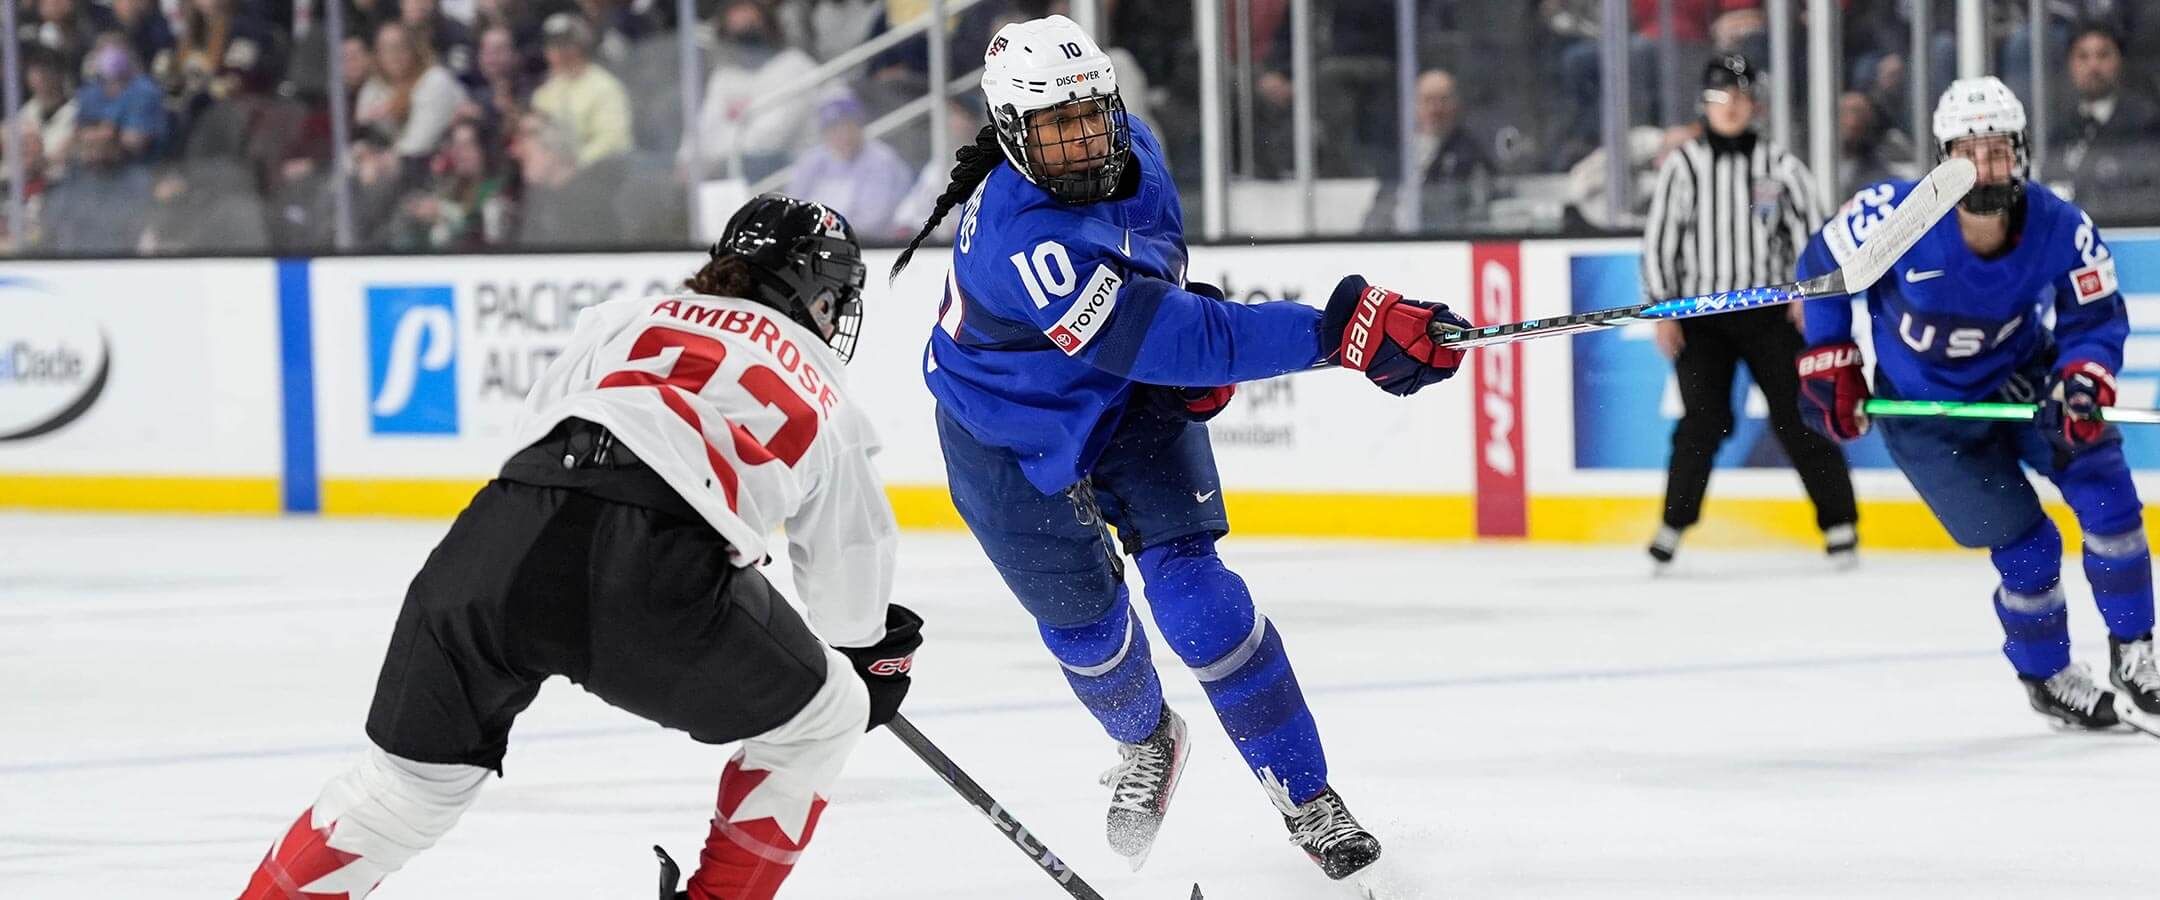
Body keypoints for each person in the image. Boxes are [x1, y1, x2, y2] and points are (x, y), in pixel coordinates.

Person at [889, 14, 1469, 887]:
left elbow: (1160, 296)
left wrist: (1183, 334)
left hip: (1123, 403)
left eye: (1092, 113)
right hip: (1000, 436)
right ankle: (1146, 740)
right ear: (1012, 134)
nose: (1084, 139)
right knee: (1086, 631)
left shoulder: (1140, 152)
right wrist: (1337, 333)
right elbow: (1169, 336)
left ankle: (1308, 796)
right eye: (1056, 126)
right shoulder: (1024, 237)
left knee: (1200, 600)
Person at [236, 194, 917, 900]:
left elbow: (542, 424)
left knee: (402, 788)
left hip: (496, 538)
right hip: (650, 571)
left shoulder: (626, 318)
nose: (834, 318)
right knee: (825, 718)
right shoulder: (828, 394)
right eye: (834, 299)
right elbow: (847, 596)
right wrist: (874, 656)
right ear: (811, 289)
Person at [1794, 76, 2160, 730]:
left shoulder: (2060, 225)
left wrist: (2083, 379)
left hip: (2025, 378)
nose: (1985, 166)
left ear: (2020, 151)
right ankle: (2048, 677)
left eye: (1998, 150)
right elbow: (1823, 274)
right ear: (1942, 159)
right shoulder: (1892, 218)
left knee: (2108, 497)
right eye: (1968, 152)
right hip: (1929, 415)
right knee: (2028, 550)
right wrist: (1831, 357)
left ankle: (2136, 655)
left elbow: (2095, 316)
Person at [1640, 55, 1859, 570]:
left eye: (1740, 97)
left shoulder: (1779, 166)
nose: (1731, 107)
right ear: (1705, 103)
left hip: (1769, 312)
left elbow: (1813, 236)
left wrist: (1809, 295)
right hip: (1700, 316)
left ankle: (1839, 523)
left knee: (1800, 414)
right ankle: (1672, 526)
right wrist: (1662, 310)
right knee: (1702, 421)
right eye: (1721, 97)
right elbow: (1659, 242)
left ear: (1753, 103)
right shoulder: (1684, 166)